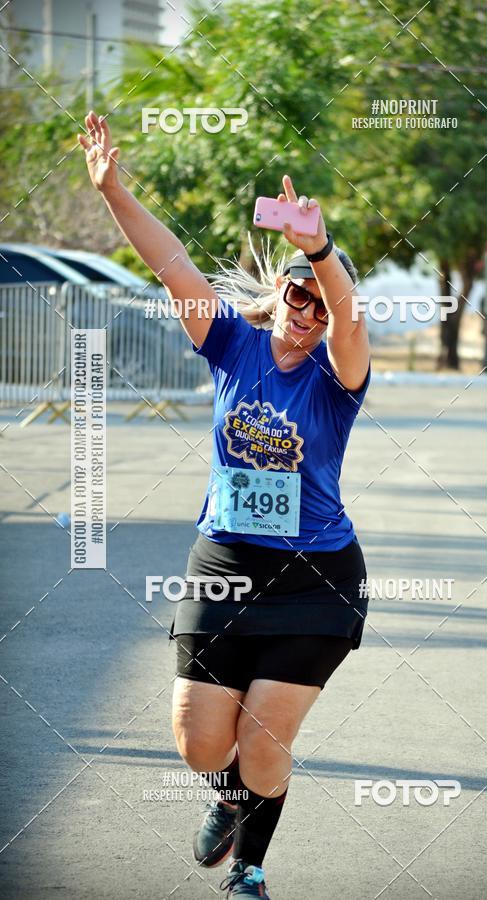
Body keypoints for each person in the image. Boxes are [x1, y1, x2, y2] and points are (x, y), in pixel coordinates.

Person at [79, 110, 371, 899]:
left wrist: (321, 250)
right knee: (202, 744)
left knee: (265, 740)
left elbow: (349, 317)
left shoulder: (338, 378)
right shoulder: (230, 345)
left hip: (316, 580)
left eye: (320, 303)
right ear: (278, 291)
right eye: (299, 294)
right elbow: (170, 262)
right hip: (224, 566)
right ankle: (229, 795)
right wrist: (113, 192)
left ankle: (249, 870)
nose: (309, 312)